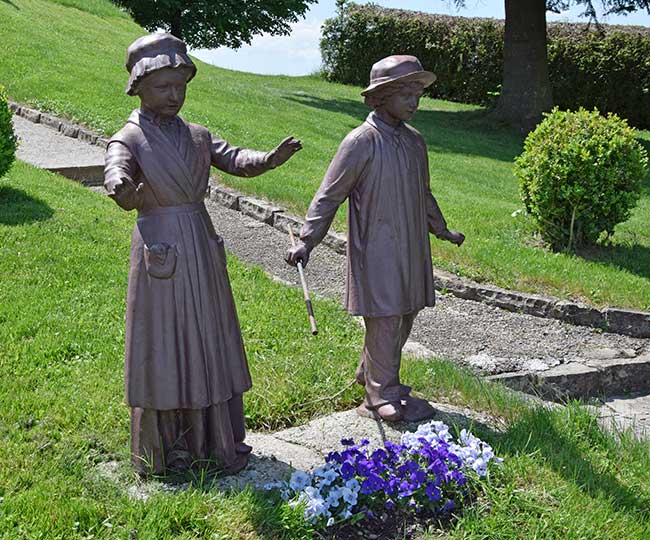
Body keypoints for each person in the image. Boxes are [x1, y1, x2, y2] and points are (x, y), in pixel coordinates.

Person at [104, 33, 302, 476]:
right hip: (162, 252)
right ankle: (169, 445)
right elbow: (115, 169)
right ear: (138, 87)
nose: (174, 96)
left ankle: (214, 440)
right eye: (163, 88)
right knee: (166, 341)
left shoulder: (197, 135)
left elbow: (232, 158)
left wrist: (268, 159)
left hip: (200, 241)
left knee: (210, 337)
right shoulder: (129, 138)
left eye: (180, 86)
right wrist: (121, 188)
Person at [286, 55, 464, 423]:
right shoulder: (360, 142)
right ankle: (380, 392)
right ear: (381, 97)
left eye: (418, 94)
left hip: (412, 244)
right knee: (384, 314)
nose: (415, 103)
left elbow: (424, 193)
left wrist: (441, 228)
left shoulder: (415, 142)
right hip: (377, 246)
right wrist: (307, 240)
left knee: (407, 309)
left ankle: (371, 374)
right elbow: (329, 195)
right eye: (406, 95)